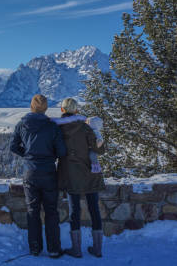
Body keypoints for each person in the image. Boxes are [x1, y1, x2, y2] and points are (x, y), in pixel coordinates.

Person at [10, 94, 66, 258]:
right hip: (48, 172)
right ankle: (54, 249)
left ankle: (35, 248)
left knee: (32, 211)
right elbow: (62, 151)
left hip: (30, 172)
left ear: (31, 106)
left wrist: (27, 155)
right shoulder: (52, 126)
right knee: (51, 211)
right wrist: (52, 156)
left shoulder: (22, 124)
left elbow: (13, 146)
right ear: (46, 108)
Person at [55, 98, 106, 258]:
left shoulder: (58, 129)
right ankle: (97, 249)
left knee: (74, 211)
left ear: (62, 111)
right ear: (76, 111)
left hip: (70, 175)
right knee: (94, 209)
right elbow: (100, 150)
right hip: (90, 173)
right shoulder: (85, 127)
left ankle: (76, 249)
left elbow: (56, 151)